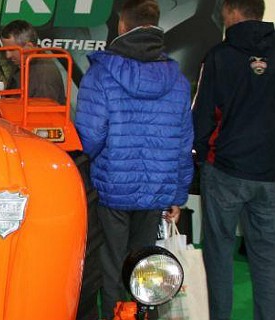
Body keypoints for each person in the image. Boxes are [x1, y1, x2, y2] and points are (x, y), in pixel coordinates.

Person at [74, 0, 193, 318]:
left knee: (112, 264)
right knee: (146, 264)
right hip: (155, 192)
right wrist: (177, 194)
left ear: (122, 26)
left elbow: (90, 138)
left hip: (113, 189)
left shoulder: (101, 74)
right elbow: (183, 144)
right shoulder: (178, 81)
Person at [192, 0, 275, 318]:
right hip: (269, 173)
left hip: (225, 169)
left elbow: (201, 117)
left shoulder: (219, 56)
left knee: (219, 255)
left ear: (231, 11)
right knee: (267, 259)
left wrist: (198, 161)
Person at [0, 20, 66, 104]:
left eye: (12, 50)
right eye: (5, 50)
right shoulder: (24, 63)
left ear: (29, 47)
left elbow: (41, 114)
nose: (7, 55)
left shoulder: (43, 75)